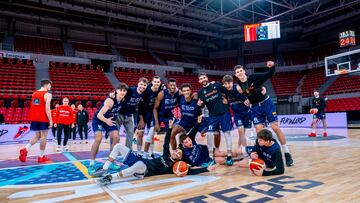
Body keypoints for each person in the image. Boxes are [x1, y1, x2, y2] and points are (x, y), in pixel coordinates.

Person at [92, 119, 212, 186]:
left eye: (179, 154)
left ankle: (109, 178)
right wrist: (170, 128)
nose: (176, 153)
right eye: (176, 151)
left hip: (143, 171)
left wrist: (206, 169)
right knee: (118, 146)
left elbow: (192, 171)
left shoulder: (175, 166)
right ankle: (104, 168)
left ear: (181, 158)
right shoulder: (166, 154)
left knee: (139, 165)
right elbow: (166, 141)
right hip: (140, 161)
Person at [234, 61, 294, 166]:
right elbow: (239, 94)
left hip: (266, 103)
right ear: (236, 75)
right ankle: (262, 154)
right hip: (255, 108)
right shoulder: (239, 85)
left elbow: (269, 74)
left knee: (275, 127)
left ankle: (287, 153)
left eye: (240, 71)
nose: (239, 73)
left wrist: (272, 67)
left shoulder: (254, 77)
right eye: (237, 72)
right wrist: (245, 99)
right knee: (259, 131)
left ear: (244, 71)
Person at [197, 72, 238, 166]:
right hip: (213, 115)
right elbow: (202, 105)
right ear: (199, 81)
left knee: (227, 133)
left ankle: (229, 156)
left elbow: (228, 92)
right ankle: (211, 158)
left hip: (224, 113)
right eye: (201, 78)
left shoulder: (216, 84)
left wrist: (228, 101)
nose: (203, 79)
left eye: (204, 77)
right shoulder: (200, 93)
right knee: (209, 135)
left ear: (207, 77)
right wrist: (200, 105)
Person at [88, 83, 128, 175]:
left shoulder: (123, 100)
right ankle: (92, 163)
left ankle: (111, 162)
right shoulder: (110, 101)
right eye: (120, 90)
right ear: (116, 91)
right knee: (98, 138)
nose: (122, 92)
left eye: (124, 91)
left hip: (109, 120)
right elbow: (99, 115)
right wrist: (106, 121)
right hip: (99, 119)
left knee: (116, 137)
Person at [19, 79, 53, 163]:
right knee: (43, 137)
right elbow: (47, 108)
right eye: (50, 85)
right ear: (46, 85)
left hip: (34, 118)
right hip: (43, 118)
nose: (50, 87)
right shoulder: (48, 94)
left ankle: (25, 149)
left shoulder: (34, 93)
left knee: (37, 136)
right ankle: (41, 157)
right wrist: (51, 120)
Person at [144, 78, 179, 158]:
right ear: (167, 86)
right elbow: (155, 108)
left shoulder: (177, 93)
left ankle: (174, 153)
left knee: (172, 134)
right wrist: (156, 123)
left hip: (168, 114)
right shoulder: (162, 94)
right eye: (171, 85)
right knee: (151, 134)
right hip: (158, 114)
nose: (173, 87)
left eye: (174, 85)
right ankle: (145, 154)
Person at [222, 75, 251, 156]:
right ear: (223, 84)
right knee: (240, 131)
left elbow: (248, 92)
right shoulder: (224, 92)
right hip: (237, 114)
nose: (228, 85)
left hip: (246, 112)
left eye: (229, 83)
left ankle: (239, 147)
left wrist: (247, 98)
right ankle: (245, 151)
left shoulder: (238, 88)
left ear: (232, 82)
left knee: (242, 133)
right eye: (226, 84)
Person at [117, 77, 148, 149]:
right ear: (138, 84)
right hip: (119, 114)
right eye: (141, 84)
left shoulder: (143, 94)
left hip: (129, 116)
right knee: (115, 134)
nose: (142, 86)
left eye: (144, 85)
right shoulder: (131, 90)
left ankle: (128, 151)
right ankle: (113, 151)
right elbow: (120, 90)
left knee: (131, 133)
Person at [169, 83, 202, 150]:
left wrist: (199, 105)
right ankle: (175, 152)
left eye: (187, 90)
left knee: (191, 144)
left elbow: (200, 113)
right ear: (181, 92)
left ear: (190, 91)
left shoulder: (196, 99)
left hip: (194, 124)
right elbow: (173, 90)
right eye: (184, 91)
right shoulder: (180, 98)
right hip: (184, 123)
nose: (186, 92)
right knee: (172, 133)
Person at [136, 76, 162, 155]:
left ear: (160, 83)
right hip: (142, 114)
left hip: (151, 114)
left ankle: (150, 153)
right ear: (152, 82)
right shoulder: (146, 91)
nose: (156, 83)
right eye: (155, 82)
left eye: (158, 82)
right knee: (140, 134)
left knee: (151, 134)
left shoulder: (160, 91)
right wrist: (141, 119)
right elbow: (139, 106)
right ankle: (139, 152)